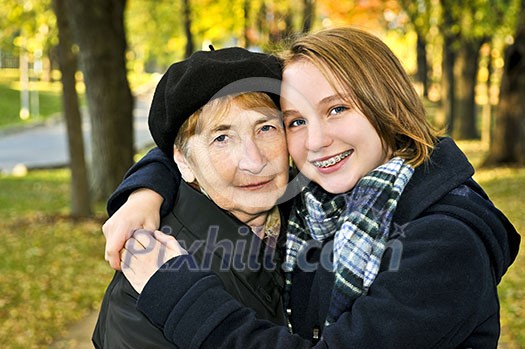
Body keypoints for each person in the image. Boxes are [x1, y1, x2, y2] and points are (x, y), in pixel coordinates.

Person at [107, 27, 520, 348]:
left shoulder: (444, 243)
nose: (317, 141)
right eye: (296, 121)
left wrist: (176, 293)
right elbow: (184, 146)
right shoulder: (319, 207)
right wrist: (144, 191)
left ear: (389, 107)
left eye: (337, 109)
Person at [92, 47, 293, 348]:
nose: (254, 160)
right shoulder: (148, 279)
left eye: (265, 128)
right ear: (182, 162)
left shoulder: (319, 218)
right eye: (221, 138)